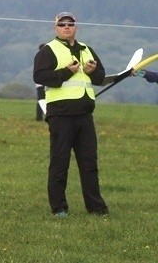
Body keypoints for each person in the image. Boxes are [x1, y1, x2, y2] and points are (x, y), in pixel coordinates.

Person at [33, 12, 109, 217]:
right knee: (60, 161)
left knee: (89, 163)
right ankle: (59, 208)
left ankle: (96, 208)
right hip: (60, 115)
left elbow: (101, 78)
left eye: (70, 24)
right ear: (55, 28)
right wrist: (66, 71)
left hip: (85, 115)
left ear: (77, 27)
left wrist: (93, 72)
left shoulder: (86, 50)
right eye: (62, 24)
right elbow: (40, 76)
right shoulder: (49, 50)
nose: (66, 27)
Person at [35, 43, 46, 121]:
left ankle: (39, 117)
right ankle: (39, 117)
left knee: (41, 100)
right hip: (43, 83)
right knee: (42, 100)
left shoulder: (38, 58)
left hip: (40, 83)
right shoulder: (43, 59)